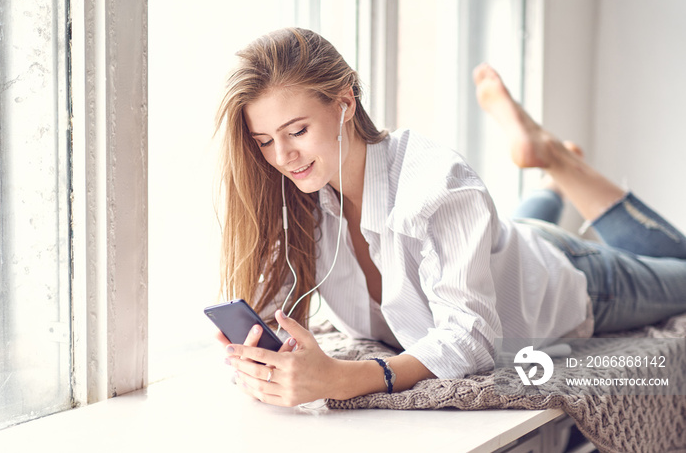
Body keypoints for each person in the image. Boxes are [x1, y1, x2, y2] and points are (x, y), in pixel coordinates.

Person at [215, 27, 686, 407]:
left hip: (571, 277)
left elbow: (474, 338)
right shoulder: (299, 196)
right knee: (509, 229)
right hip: (495, 247)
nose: (283, 156)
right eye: (263, 141)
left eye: (296, 130)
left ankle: (557, 165)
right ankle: (548, 180)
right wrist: (259, 353)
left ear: (344, 104)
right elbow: (276, 310)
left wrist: (346, 379)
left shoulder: (435, 183)